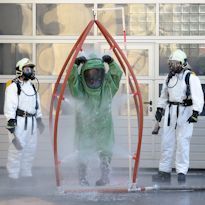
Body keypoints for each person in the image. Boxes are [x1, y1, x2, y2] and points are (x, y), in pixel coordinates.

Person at [68, 54, 122, 186]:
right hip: (86, 125)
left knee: (105, 150)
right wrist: (74, 65)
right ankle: (82, 178)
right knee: (83, 149)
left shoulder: (107, 87)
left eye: (97, 73)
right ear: (84, 75)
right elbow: (72, 79)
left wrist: (112, 63)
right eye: (90, 74)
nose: (93, 77)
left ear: (102, 75)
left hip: (104, 125)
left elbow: (117, 75)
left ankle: (105, 176)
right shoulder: (80, 88)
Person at [152, 49, 204, 184]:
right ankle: (164, 171)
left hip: (185, 111)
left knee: (183, 141)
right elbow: (164, 95)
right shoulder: (169, 77)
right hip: (170, 111)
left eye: (175, 63)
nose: (172, 66)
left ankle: (181, 172)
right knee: (166, 141)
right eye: (171, 63)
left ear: (182, 64)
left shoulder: (190, 77)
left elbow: (198, 96)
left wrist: (195, 112)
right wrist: (159, 109)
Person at [4, 58, 45, 179]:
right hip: (20, 122)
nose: (30, 71)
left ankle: (26, 174)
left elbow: (36, 104)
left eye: (31, 69)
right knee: (17, 149)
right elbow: (10, 106)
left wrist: (39, 120)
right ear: (20, 70)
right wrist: (11, 122)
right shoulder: (13, 87)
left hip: (32, 122)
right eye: (27, 69)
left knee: (30, 149)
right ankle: (13, 176)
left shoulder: (32, 87)